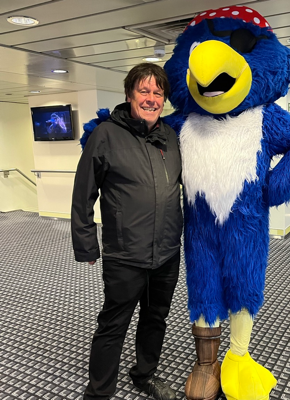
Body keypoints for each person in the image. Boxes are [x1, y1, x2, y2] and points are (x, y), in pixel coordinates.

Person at [71, 63, 183, 400]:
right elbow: (83, 192)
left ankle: (144, 375)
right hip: (125, 254)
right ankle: (99, 392)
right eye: (144, 91)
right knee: (113, 324)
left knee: (155, 318)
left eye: (158, 93)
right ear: (129, 94)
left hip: (167, 251)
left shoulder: (170, 136)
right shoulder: (106, 135)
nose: (151, 99)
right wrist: (86, 244)